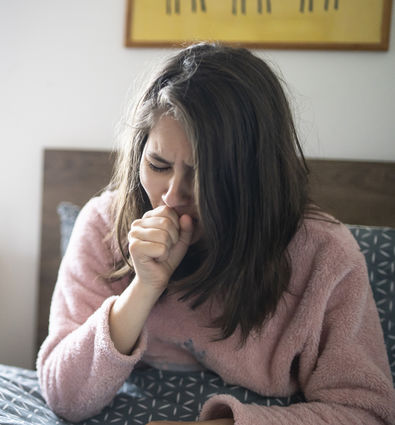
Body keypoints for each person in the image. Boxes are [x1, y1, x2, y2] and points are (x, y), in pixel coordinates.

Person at [36, 43, 395, 424]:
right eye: (158, 165)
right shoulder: (105, 224)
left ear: (254, 175)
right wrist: (143, 287)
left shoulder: (325, 255)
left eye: (202, 174)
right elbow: (66, 398)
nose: (173, 196)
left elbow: (366, 412)